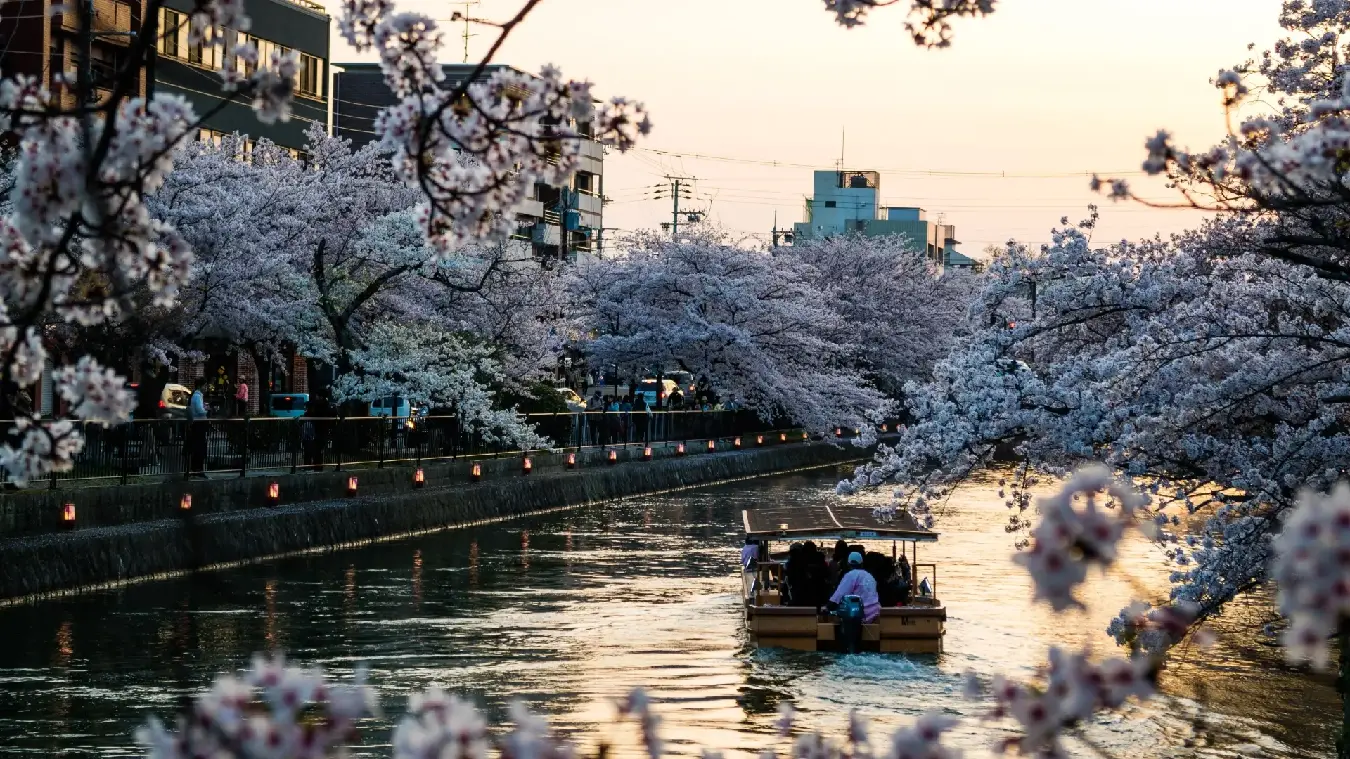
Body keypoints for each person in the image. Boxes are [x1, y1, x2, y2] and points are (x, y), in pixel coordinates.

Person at [827, 552, 881, 623]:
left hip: (862, 615)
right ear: (861, 564)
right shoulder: (870, 576)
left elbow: (838, 597)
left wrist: (827, 607)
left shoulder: (850, 575)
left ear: (848, 564)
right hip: (877, 612)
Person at [186, 377, 209, 478]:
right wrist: (207, 410)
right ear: (200, 386)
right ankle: (197, 470)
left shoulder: (198, 395)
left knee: (199, 447)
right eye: (205, 385)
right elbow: (199, 410)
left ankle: (196, 469)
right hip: (198, 424)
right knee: (199, 447)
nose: (206, 387)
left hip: (199, 424)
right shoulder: (197, 396)